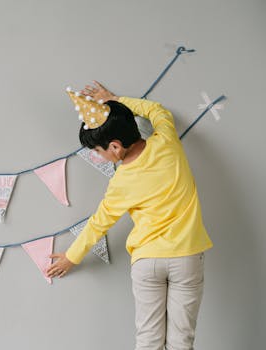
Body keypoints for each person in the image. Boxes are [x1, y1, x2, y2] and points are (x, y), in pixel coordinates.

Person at [47, 81, 213, 350]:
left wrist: (71, 256)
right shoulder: (167, 141)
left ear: (115, 147)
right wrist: (116, 100)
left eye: (98, 153)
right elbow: (156, 110)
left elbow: (99, 223)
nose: (99, 158)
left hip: (147, 262)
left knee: (148, 341)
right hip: (186, 256)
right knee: (182, 341)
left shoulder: (121, 183)